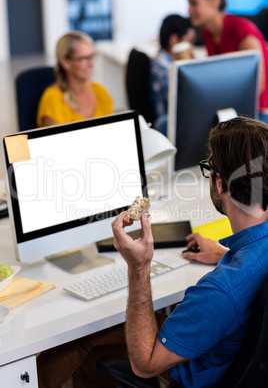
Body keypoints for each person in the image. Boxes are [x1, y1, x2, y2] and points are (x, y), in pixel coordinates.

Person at [37, 117, 268, 387]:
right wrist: (221, 254)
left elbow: (145, 364)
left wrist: (139, 268)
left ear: (220, 183)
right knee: (86, 335)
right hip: (232, 355)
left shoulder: (219, 292)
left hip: (188, 373)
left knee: (89, 353)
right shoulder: (248, 265)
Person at [186, 0, 268, 123]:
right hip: (231, 109)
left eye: (194, 3)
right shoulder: (208, 32)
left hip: (256, 112)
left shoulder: (241, 31)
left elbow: (258, 86)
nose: (188, 10)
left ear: (214, 0)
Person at [37, 31, 113, 128]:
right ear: (65, 62)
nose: (92, 63)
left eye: (92, 56)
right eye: (84, 58)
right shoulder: (53, 99)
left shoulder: (100, 92)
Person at [151, 14, 195, 135]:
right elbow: (191, 101)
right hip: (168, 128)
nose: (191, 47)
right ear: (174, 40)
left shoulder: (158, 61)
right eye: (189, 41)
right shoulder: (166, 71)